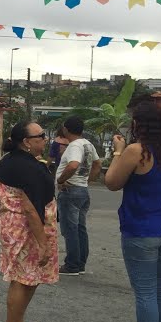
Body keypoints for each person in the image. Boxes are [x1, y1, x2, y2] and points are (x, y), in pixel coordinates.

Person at [104, 100, 161, 322]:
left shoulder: (137, 151)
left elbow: (111, 182)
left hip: (141, 229)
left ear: (137, 125)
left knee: (145, 293)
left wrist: (118, 153)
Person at [0, 121, 58, 322]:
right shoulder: (24, 166)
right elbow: (31, 208)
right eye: (40, 135)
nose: (44, 138)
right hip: (25, 231)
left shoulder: (18, 162)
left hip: (21, 229)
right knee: (22, 279)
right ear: (26, 142)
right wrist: (43, 243)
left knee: (29, 279)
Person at [55, 116, 102, 275]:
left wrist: (61, 179)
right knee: (80, 228)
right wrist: (88, 179)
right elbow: (97, 163)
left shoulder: (74, 146)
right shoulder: (87, 144)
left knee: (70, 229)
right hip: (82, 190)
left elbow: (73, 164)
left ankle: (72, 265)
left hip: (70, 191)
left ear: (66, 129)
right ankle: (80, 263)